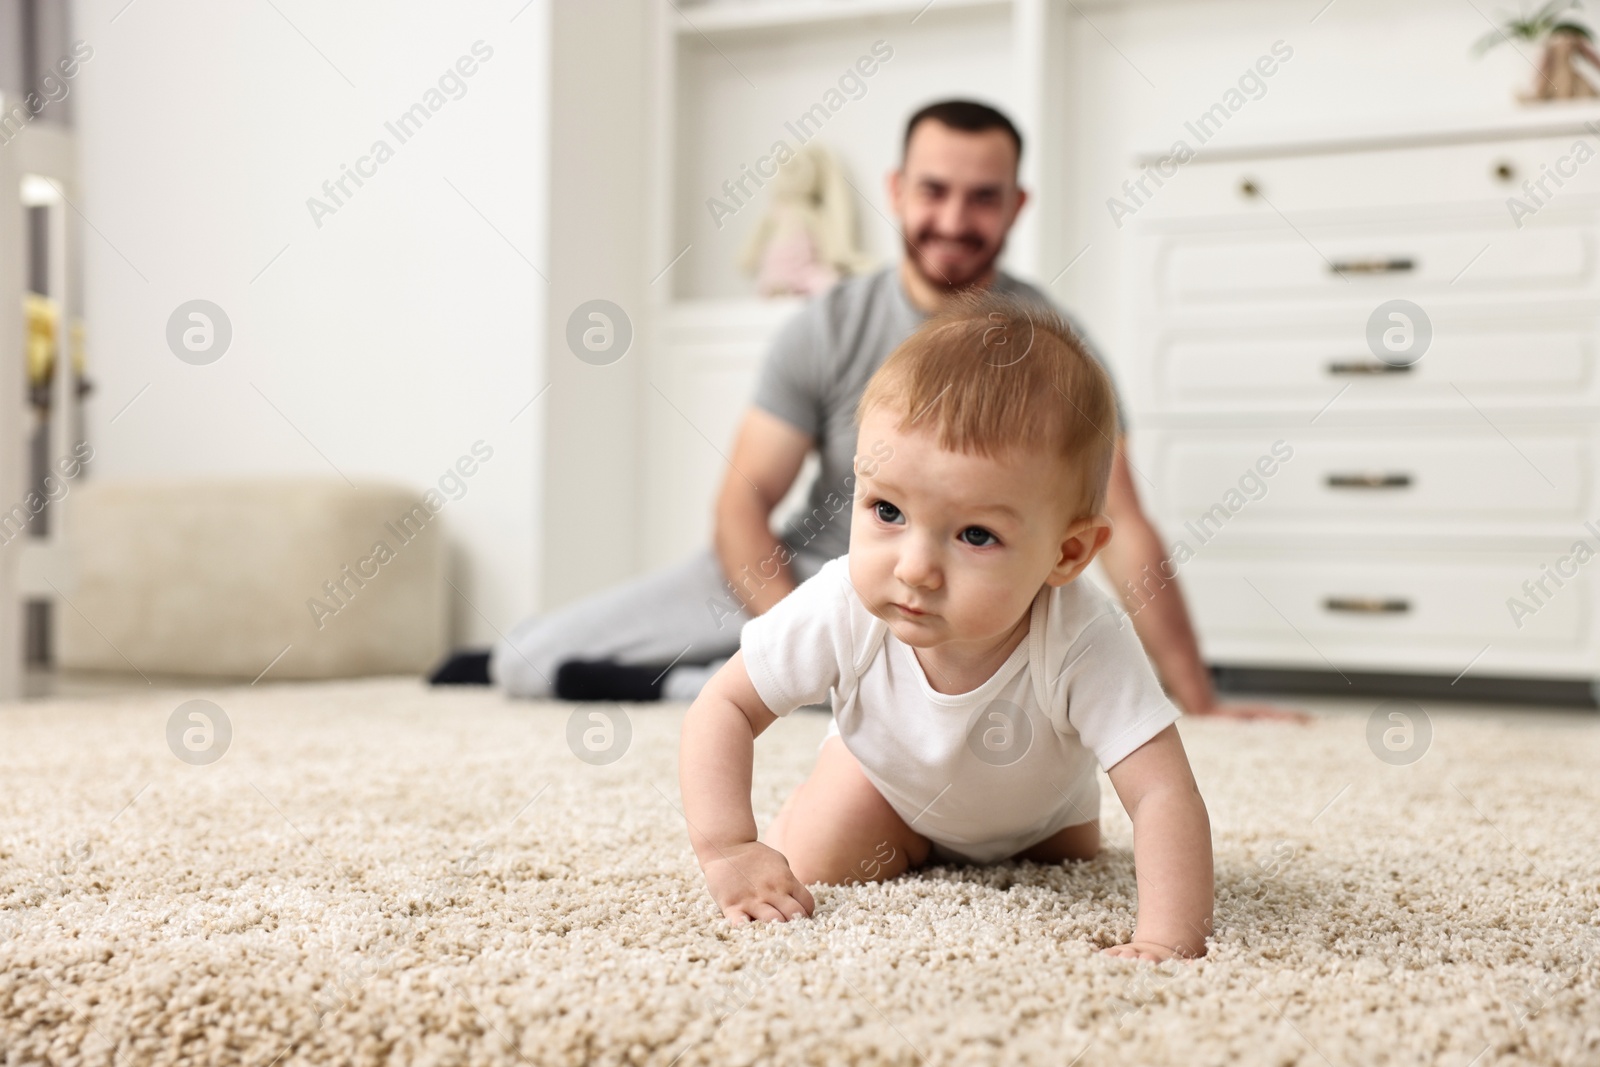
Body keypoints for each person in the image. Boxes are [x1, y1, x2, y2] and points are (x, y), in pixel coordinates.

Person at [473, 99, 1299, 722]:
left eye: (982, 198)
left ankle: (716, 684)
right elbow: (741, 502)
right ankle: (723, 680)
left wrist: (1199, 696)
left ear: (1016, 207)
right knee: (521, 661)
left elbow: (1122, 520)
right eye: (934, 191)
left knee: (950, 717)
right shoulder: (827, 325)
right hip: (799, 581)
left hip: (954, 596)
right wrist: (799, 629)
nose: (952, 219)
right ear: (899, 191)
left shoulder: (1053, 346)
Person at [678, 290, 1213, 962]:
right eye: (888, 511)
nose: (916, 568)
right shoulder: (842, 602)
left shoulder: (1082, 637)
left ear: (1067, 553)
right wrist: (730, 846)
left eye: (976, 534)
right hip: (887, 786)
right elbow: (723, 705)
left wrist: (1168, 937)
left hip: (1045, 818)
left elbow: (1163, 790)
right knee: (813, 859)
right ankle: (847, 818)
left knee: (1071, 867)